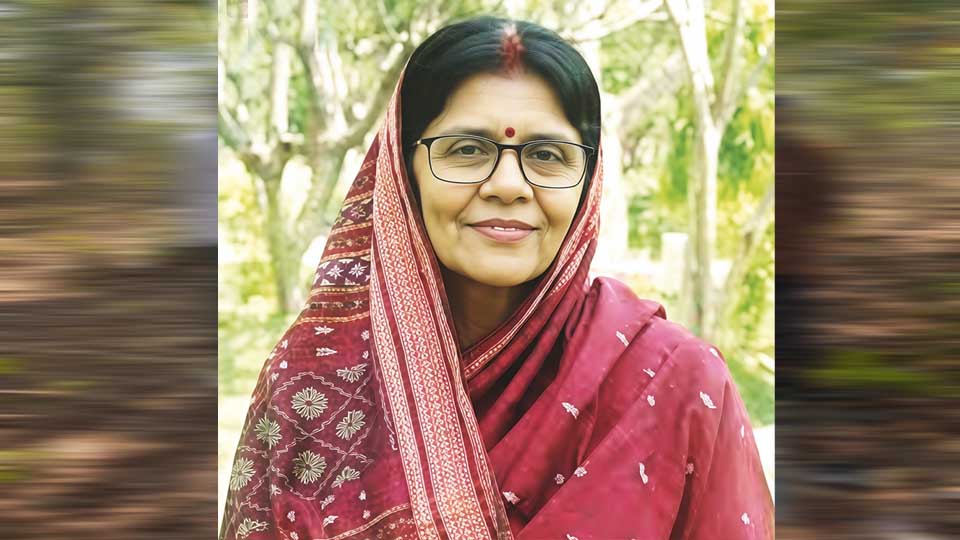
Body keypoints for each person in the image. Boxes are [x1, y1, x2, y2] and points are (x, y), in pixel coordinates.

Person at [220, 16, 773, 540]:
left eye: (548, 154)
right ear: (403, 170)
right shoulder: (312, 388)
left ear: (588, 180)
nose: (508, 185)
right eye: (467, 150)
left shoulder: (675, 384)